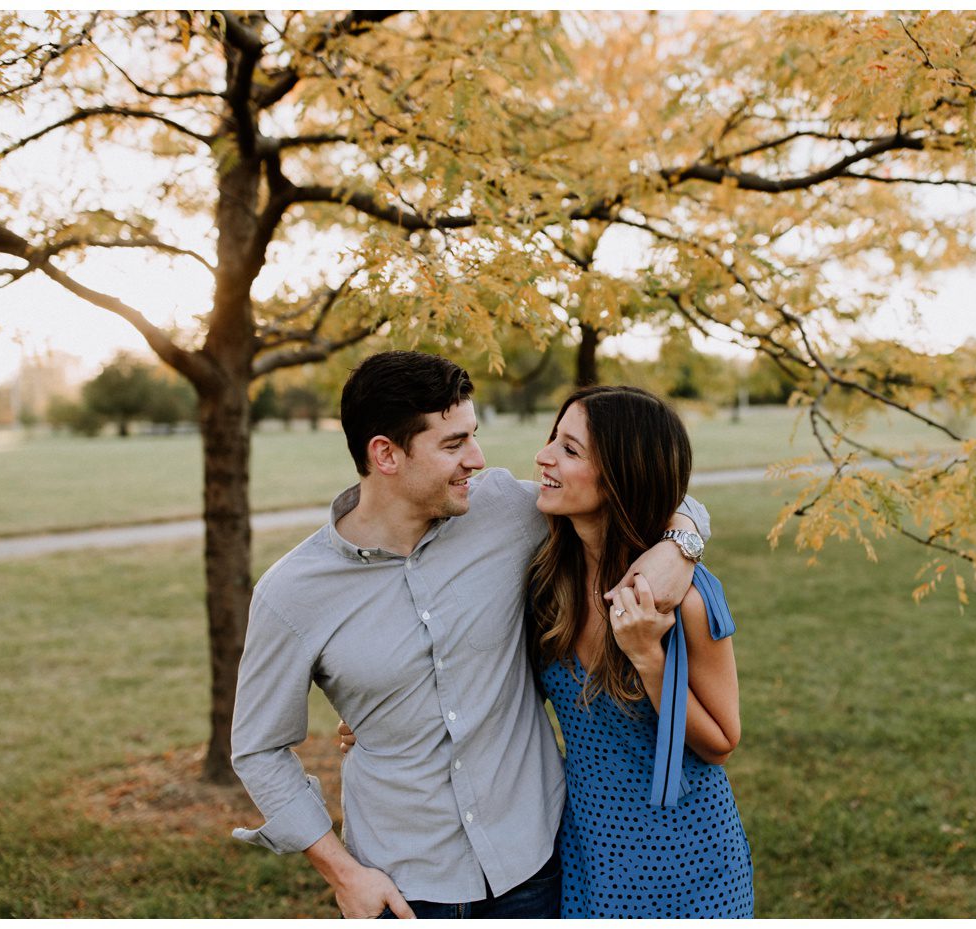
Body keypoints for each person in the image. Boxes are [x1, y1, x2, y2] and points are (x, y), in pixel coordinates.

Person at [230, 351, 710, 918]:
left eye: (473, 437)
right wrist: (342, 873)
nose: (478, 460)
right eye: (454, 444)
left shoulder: (507, 510)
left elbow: (637, 486)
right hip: (404, 891)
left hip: (540, 866)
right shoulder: (292, 593)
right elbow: (259, 748)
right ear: (385, 453)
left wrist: (681, 545)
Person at [529, 385, 751, 917]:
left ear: (621, 477)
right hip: (588, 854)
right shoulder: (544, 580)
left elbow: (722, 742)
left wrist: (651, 659)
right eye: (552, 439)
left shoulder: (686, 600)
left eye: (570, 449)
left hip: (691, 862)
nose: (544, 456)